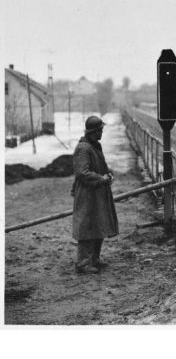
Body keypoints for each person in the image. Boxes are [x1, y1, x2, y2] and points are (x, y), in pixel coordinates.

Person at [71, 115, 119, 274]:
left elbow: (100, 166)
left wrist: (108, 172)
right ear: (92, 132)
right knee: (86, 227)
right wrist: (101, 178)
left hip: (97, 193)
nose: (101, 133)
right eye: (100, 130)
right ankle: (83, 263)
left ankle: (94, 259)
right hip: (87, 194)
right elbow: (82, 173)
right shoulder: (83, 148)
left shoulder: (95, 146)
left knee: (99, 225)